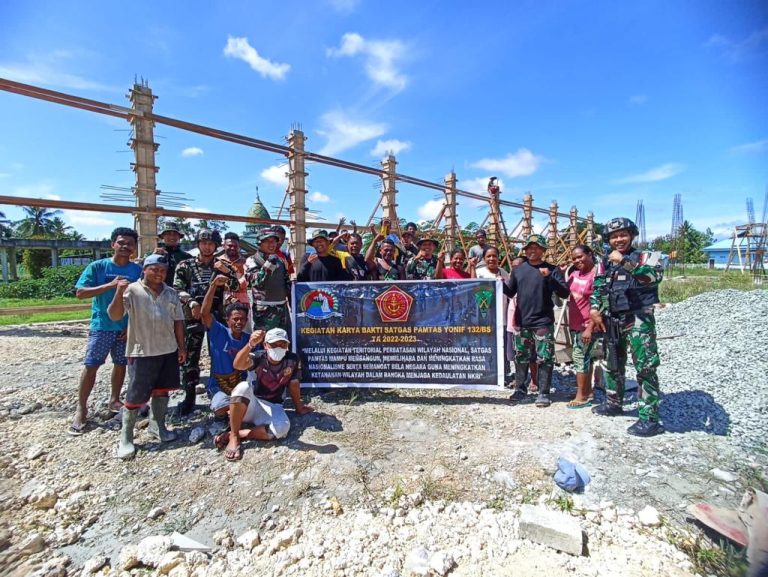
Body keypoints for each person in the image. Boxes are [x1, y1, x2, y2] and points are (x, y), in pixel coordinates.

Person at [590, 217, 664, 437]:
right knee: (612, 363)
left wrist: (624, 262)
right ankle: (614, 403)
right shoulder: (605, 262)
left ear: (632, 235)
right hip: (613, 319)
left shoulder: (646, 257)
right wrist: (594, 309)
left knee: (645, 367)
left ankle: (649, 419)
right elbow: (598, 287)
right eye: (614, 237)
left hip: (638, 319)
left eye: (623, 235)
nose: (619, 240)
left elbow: (653, 277)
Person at [107, 254, 186, 460]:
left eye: (163, 270)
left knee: (162, 391)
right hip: (142, 351)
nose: (159, 273)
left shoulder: (171, 293)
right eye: (155, 269)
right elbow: (115, 315)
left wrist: (181, 347)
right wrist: (119, 292)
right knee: (135, 396)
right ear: (145, 270)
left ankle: (157, 425)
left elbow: (178, 321)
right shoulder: (132, 290)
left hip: (167, 349)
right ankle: (126, 437)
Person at [70, 227, 142, 435]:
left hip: (125, 327)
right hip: (102, 325)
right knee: (92, 365)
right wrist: (110, 285)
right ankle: (81, 408)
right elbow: (80, 292)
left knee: (120, 364)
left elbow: (140, 300)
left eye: (129, 243)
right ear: (113, 244)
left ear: (134, 247)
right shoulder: (98, 267)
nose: (125, 246)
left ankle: (114, 399)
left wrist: (131, 325)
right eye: (121, 242)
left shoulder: (137, 271)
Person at [216, 327, 314, 461]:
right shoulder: (258, 357)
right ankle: (234, 437)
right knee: (242, 387)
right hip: (251, 403)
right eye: (274, 344)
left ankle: (238, 434)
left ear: (287, 345)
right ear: (265, 345)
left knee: (281, 429)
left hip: (273, 406)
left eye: (282, 344)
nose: (278, 348)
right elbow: (238, 365)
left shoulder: (292, 360)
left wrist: (299, 408)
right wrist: (250, 344)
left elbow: (294, 384)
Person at [174, 229, 239, 415]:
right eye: (204, 243)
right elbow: (176, 288)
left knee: (218, 355)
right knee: (190, 357)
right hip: (192, 316)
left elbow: (237, 286)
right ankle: (189, 396)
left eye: (211, 243)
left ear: (216, 246)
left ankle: (218, 392)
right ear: (198, 244)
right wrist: (191, 302)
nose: (207, 246)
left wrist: (226, 272)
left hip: (216, 317)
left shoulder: (223, 264)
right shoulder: (185, 265)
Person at [506, 234, 570, 407]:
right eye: (529, 248)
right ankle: (520, 389)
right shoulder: (518, 270)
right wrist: (498, 284)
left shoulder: (552, 269)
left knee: (545, 358)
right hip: (522, 322)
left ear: (543, 250)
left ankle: (543, 392)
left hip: (543, 322)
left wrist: (549, 277)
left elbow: (564, 293)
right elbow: (510, 292)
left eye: (536, 248)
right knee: (521, 357)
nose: (532, 251)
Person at [200, 275, 251, 417]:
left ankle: (235, 414)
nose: (239, 322)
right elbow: (204, 313)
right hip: (219, 387)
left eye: (242, 319)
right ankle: (235, 413)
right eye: (235, 319)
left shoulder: (249, 340)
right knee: (220, 408)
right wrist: (213, 286)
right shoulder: (219, 332)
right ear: (227, 320)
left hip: (241, 388)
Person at [565, 245, 599, 409]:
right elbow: (564, 291)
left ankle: (581, 397)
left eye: (580, 256)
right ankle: (588, 391)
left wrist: (590, 328)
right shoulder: (574, 274)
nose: (577, 260)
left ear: (590, 254)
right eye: (574, 258)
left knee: (579, 358)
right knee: (586, 358)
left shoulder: (597, 276)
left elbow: (600, 305)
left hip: (587, 325)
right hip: (575, 324)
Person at [245, 229, 291, 332]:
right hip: (264, 310)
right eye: (267, 241)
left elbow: (286, 283)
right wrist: (269, 264)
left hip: (282, 308)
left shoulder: (281, 260)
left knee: (281, 339)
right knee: (263, 339)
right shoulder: (252, 260)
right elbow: (255, 282)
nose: (272, 244)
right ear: (259, 243)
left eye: (274, 241)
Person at [476, 246, 511, 381]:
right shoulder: (479, 272)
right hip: (485, 316)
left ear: (498, 258)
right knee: (486, 344)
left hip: (502, 316)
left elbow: (509, 293)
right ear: (484, 259)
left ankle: (503, 374)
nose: (491, 259)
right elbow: (472, 288)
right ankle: (486, 373)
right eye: (488, 256)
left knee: (502, 345)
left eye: (494, 256)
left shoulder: (504, 273)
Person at [217, 232, 249, 309]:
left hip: (242, 301)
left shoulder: (245, 262)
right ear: (224, 246)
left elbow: (245, 284)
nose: (232, 248)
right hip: (222, 301)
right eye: (230, 245)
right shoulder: (217, 261)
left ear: (239, 247)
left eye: (235, 246)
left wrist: (231, 271)